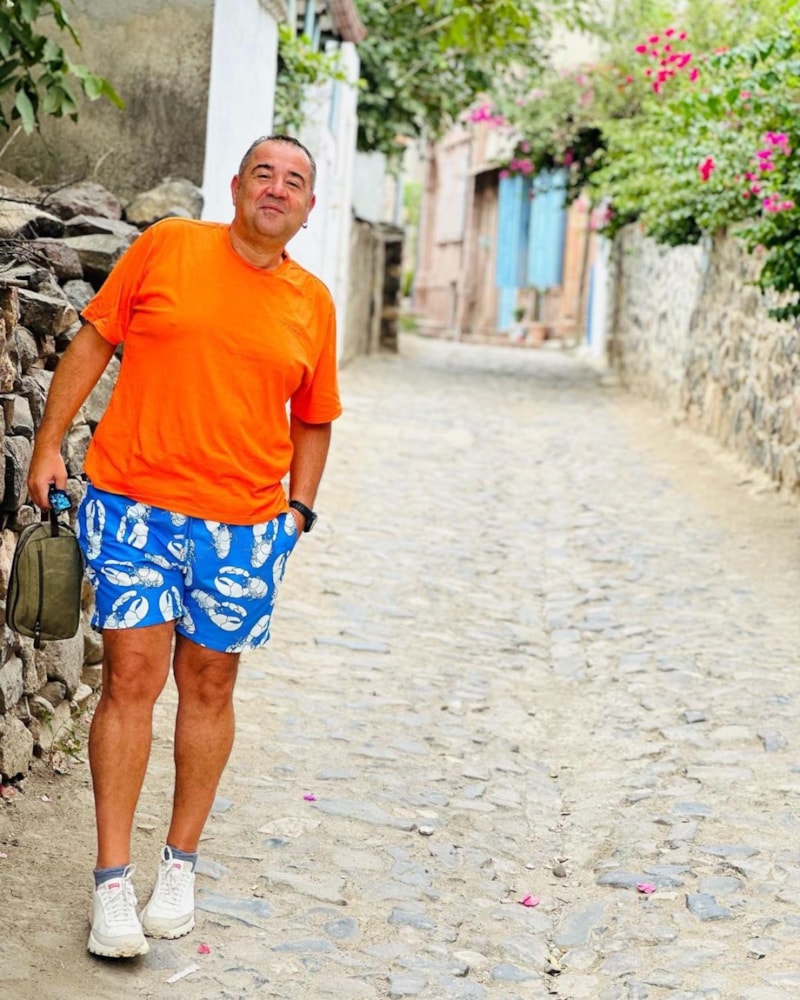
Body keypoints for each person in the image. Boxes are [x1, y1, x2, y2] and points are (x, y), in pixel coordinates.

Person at [27, 134, 341, 959]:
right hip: (136, 508)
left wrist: (298, 514)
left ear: (309, 209)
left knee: (208, 686)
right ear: (235, 187)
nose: (276, 189)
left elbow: (314, 416)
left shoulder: (312, 302)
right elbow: (93, 340)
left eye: (294, 182)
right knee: (130, 679)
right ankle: (111, 883)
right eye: (264, 173)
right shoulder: (168, 246)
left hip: (244, 528)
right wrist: (48, 444)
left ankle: (179, 867)